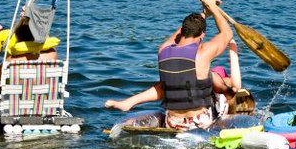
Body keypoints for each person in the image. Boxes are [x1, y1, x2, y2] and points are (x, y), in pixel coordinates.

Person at [105, 0, 232, 130]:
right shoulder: (202, 52)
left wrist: (204, 14)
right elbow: (227, 34)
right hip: (199, 122)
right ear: (202, 35)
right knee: (221, 85)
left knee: (173, 81)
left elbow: (178, 35)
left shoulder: (163, 50)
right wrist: (213, 7)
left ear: (182, 30)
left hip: (172, 121)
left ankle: (129, 102)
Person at [105, 39, 249, 115]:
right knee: (170, 83)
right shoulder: (210, 77)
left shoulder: (221, 82)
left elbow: (236, 87)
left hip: (204, 105)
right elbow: (235, 86)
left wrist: (232, 47)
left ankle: (129, 102)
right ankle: (128, 103)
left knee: (168, 84)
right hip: (193, 99)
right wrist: (232, 47)